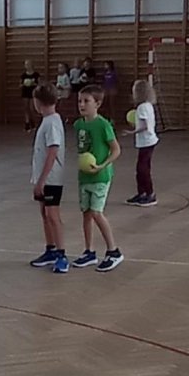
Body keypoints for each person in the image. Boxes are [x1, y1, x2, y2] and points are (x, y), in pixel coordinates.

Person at [72, 85, 123, 272]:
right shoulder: (78, 125)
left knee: (96, 213)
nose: (82, 104)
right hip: (84, 177)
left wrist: (103, 165)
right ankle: (89, 252)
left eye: (86, 101)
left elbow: (116, 149)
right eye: (79, 101)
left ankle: (113, 251)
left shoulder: (103, 125)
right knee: (86, 213)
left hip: (100, 177)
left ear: (98, 104)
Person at [28, 86, 68, 274]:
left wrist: (42, 180)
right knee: (45, 213)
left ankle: (62, 255)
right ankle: (50, 249)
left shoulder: (52, 123)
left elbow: (53, 152)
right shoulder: (47, 121)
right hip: (44, 178)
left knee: (52, 215)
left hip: (51, 178)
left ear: (38, 102)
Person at [126, 77, 159, 206]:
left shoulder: (141, 107)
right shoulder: (148, 105)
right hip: (149, 140)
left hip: (146, 141)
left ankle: (150, 194)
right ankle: (142, 193)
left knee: (142, 169)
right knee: (142, 168)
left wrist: (132, 132)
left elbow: (145, 125)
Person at [20, 59, 39, 131]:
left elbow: (39, 84)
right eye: (26, 64)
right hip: (25, 92)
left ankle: (33, 122)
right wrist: (24, 84)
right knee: (26, 108)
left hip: (33, 92)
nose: (27, 66)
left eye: (28, 64)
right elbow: (20, 84)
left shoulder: (36, 75)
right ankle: (27, 122)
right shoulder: (23, 75)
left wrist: (33, 83)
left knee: (32, 108)